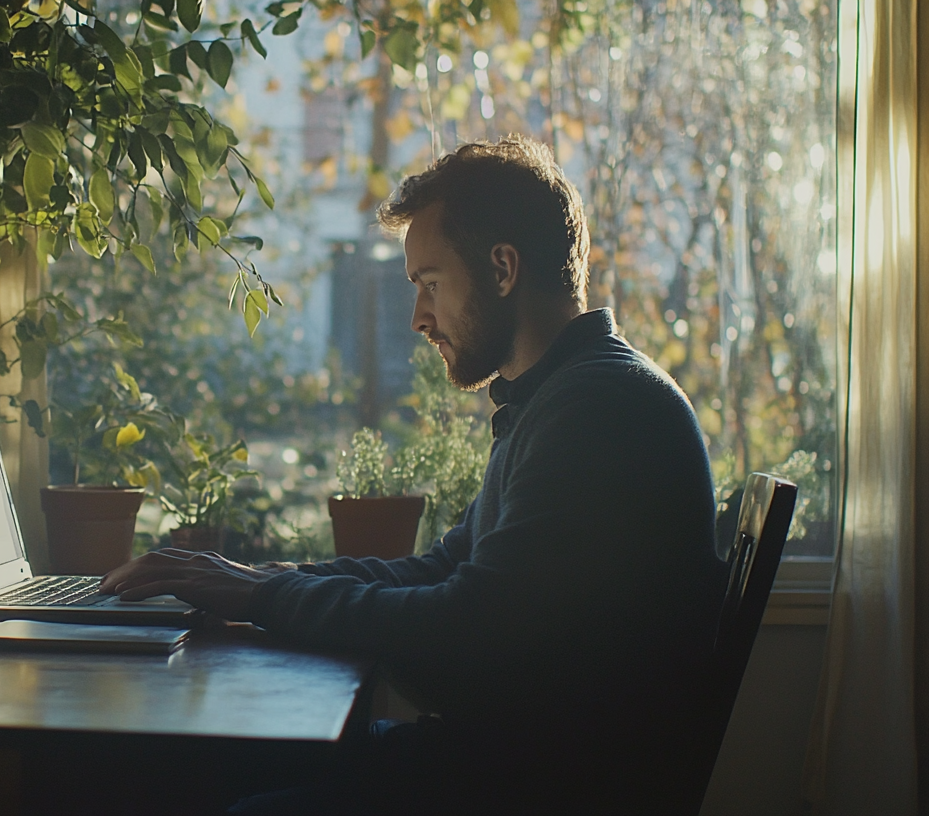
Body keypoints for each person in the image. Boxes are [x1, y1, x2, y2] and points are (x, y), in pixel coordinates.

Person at [99, 136, 727, 814]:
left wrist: (262, 598)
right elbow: (443, 569)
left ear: (503, 269)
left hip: (530, 788)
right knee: (196, 763)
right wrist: (271, 579)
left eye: (430, 284)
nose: (419, 318)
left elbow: (468, 628)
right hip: (505, 765)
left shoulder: (600, 411)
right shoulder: (559, 395)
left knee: (186, 780)